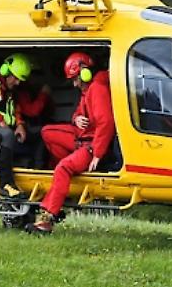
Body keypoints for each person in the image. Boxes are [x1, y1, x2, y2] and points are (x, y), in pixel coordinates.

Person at [27, 52, 115, 234]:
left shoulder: (97, 88)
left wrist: (97, 154)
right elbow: (77, 112)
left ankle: (47, 218)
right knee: (47, 132)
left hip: (90, 146)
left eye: (76, 79)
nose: (74, 84)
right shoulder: (88, 90)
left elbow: (106, 122)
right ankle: (63, 177)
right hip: (81, 139)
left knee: (63, 168)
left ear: (85, 73)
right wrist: (77, 119)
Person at [0, 53, 51, 199]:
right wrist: (0, 119)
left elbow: (16, 110)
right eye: (15, 78)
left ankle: (38, 172)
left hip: (8, 130)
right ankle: (5, 185)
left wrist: (20, 124)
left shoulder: (10, 92)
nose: (17, 83)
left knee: (41, 133)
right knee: (7, 135)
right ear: (5, 71)